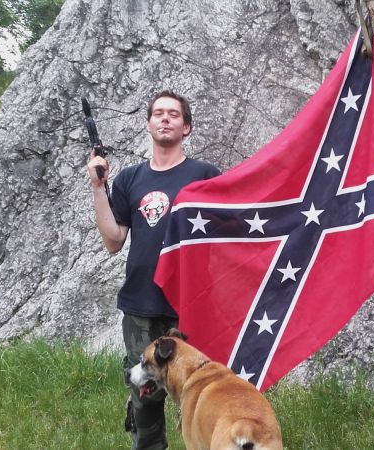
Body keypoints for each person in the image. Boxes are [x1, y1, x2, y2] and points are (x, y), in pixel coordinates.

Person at [87, 90, 221, 450]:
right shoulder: (130, 179)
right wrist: (98, 188)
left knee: (201, 391)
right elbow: (113, 241)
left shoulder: (204, 175)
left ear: (186, 127)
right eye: (158, 113)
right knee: (143, 393)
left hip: (189, 303)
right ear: (148, 124)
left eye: (173, 114)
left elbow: (228, 228)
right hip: (141, 303)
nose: (165, 118)